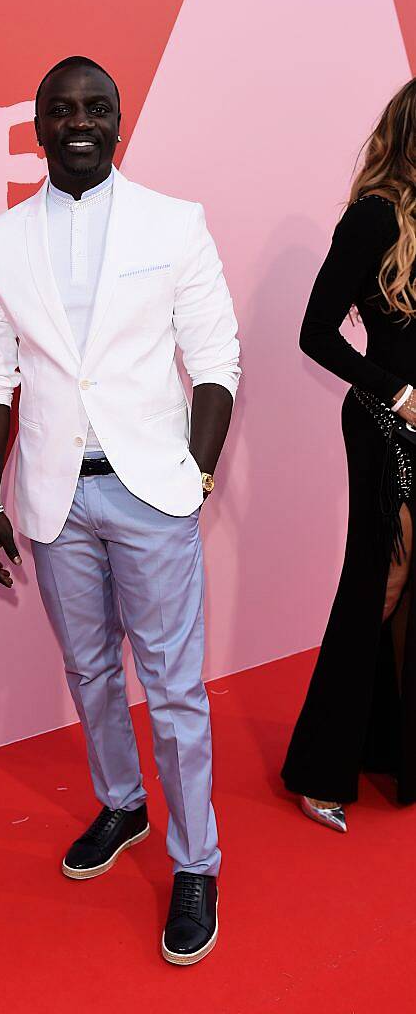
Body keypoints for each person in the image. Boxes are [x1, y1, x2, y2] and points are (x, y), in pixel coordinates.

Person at [0, 56, 240, 965]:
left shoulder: (175, 222)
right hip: (51, 497)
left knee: (172, 689)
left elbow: (215, 360)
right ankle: (122, 805)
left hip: (152, 491)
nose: (79, 121)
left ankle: (195, 860)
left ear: (119, 121)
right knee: (88, 673)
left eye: (96, 107)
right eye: (61, 109)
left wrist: (194, 477)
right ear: (37, 125)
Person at [282, 78, 416, 831]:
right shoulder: (372, 219)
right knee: (382, 583)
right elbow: (315, 333)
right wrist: (397, 393)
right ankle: (320, 767)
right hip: (385, 426)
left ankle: (388, 746)